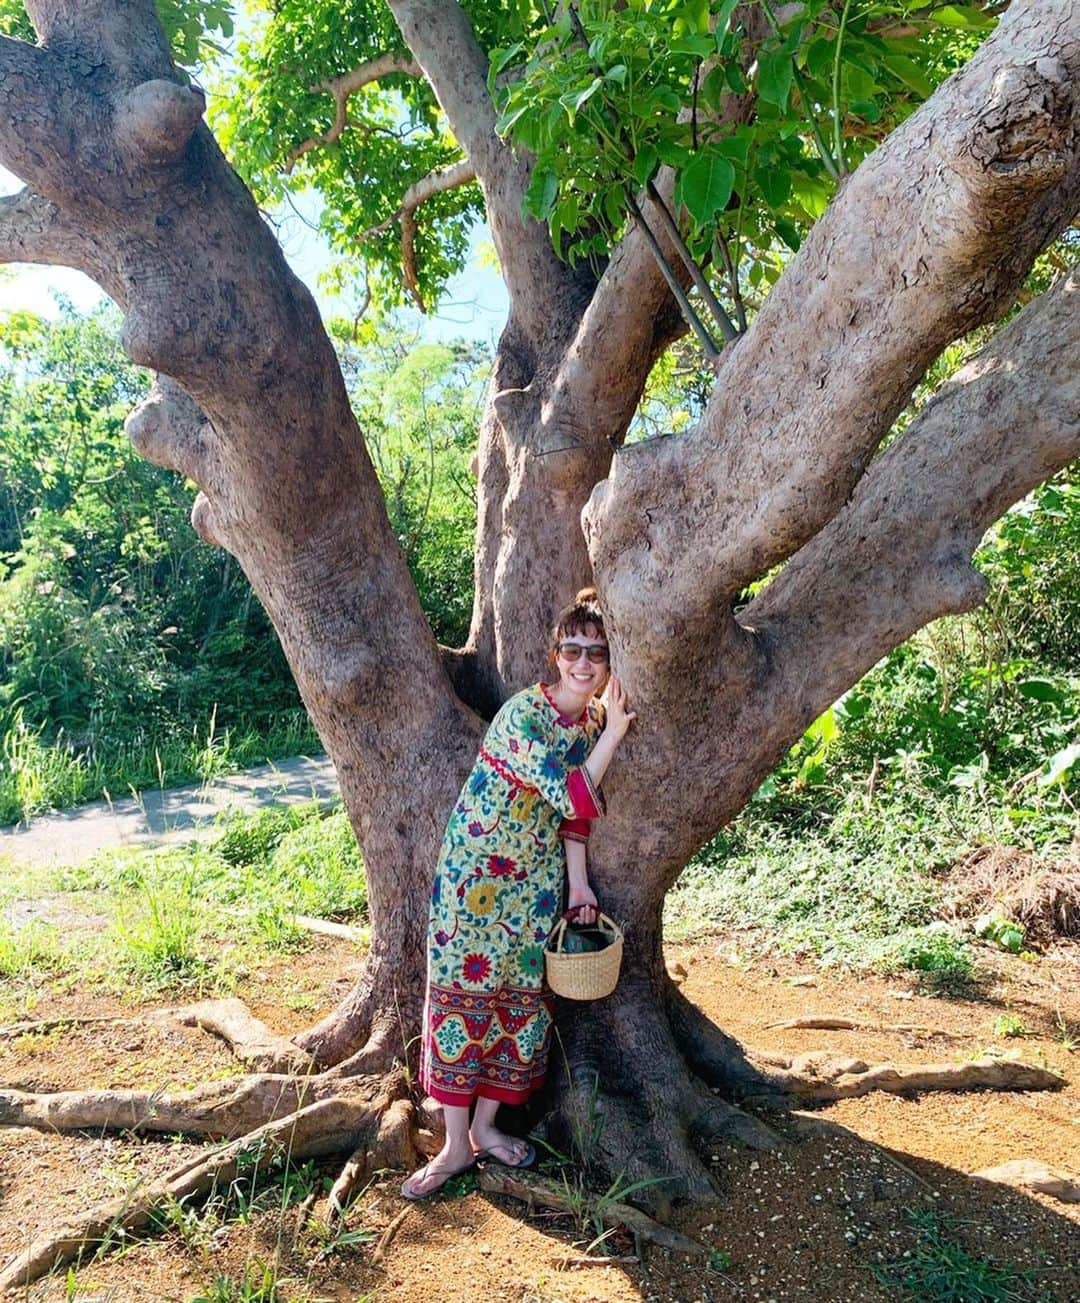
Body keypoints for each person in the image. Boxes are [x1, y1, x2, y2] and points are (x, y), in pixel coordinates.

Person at [402, 587, 636, 1200]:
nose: (584, 663)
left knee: (517, 1004)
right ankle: (455, 1147)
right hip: (475, 880)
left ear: (611, 663)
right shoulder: (523, 716)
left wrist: (578, 884)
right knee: (463, 1000)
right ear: (555, 655)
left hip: (534, 887)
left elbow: (574, 822)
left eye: (598, 653)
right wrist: (612, 736)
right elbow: (571, 792)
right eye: (573, 649)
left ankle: (486, 1128)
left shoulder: (585, 722)